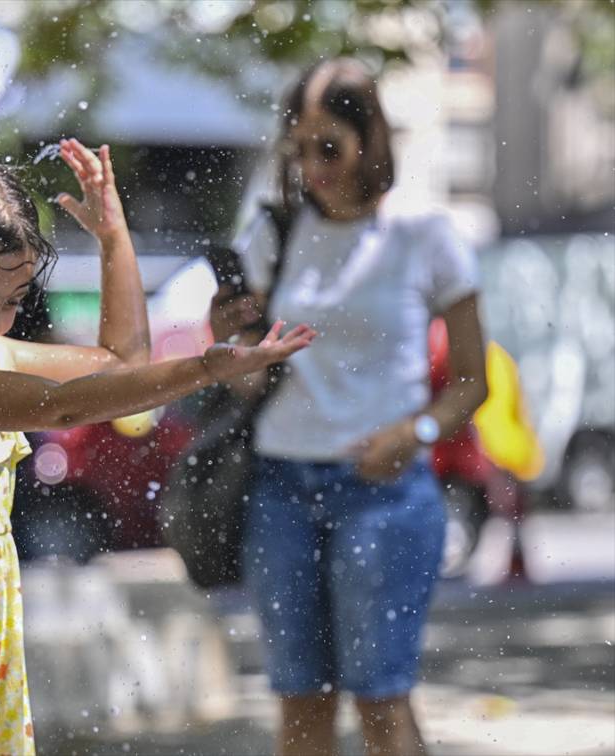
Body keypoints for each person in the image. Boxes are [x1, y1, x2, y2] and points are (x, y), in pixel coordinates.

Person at [0, 139, 315, 754]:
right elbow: (61, 406)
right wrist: (205, 368)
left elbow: (120, 362)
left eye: (11, 303)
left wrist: (114, 239)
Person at [233, 59, 488, 756]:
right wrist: (231, 351)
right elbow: (245, 361)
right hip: (280, 487)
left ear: (369, 139)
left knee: (382, 702)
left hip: (383, 494)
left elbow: (473, 381)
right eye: (299, 146)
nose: (313, 165)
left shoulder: (423, 233)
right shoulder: (275, 232)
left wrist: (419, 431)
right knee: (300, 705)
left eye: (330, 146)